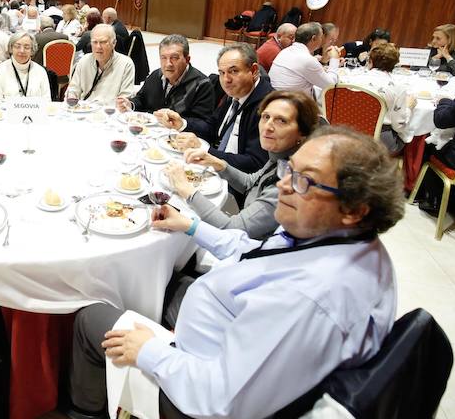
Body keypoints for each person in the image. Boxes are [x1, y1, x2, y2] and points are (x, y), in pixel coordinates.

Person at [68, 126, 403, 419]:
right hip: (227, 332)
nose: (283, 186)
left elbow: (221, 401)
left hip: (193, 395)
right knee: (170, 281)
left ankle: (85, 411)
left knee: (89, 317)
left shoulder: (311, 300)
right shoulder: (343, 240)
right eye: (289, 171)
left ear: (354, 209)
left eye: (304, 182)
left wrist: (148, 351)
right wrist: (191, 225)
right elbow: (255, 251)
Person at [165, 90, 319, 239]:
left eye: (281, 120)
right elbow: (252, 183)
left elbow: (233, 230)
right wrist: (217, 163)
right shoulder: (282, 157)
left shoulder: (289, 181)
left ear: (302, 133)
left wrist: (186, 189)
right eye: (266, 117)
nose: (268, 126)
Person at [167, 43, 274, 173]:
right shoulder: (235, 93)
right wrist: (182, 123)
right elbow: (212, 127)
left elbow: (255, 163)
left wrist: (206, 151)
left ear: (254, 70)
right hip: (217, 164)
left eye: (234, 71)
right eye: (222, 73)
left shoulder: (269, 107)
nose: (226, 79)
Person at [118, 34, 216, 136]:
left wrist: (181, 122)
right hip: (149, 134)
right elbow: (141, 99)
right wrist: (130, 104)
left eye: (174, 58)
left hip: (178, 141)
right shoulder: (156, 75)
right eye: (163, 58)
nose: (168, 64)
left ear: (187, 59)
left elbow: (206, 127)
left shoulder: (202, 85)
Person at [362, 43, 416, 153]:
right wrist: (409, 108)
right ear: (394, 65)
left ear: (370, 61)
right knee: (412, 139)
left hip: (345, 135)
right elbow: (399, 126)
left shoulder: (350, 80)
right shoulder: (398, 89)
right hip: (377, 142)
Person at [67, 24, 135, 105]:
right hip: (84, 110)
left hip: (110, 113)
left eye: (103, 42)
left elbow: (125, 97)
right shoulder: (84, 61)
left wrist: (123, 104)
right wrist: (71, 96)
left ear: (114, 43)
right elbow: (74, 88)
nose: (98, 47)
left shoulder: (126, 64)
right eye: (95, 42)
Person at [269, 21, 340, 97]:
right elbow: (331, 85)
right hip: (291, 103)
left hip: (275, 98)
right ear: (314, 38)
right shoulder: (307, 59)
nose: (322, 40)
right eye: (321, 37)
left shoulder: (285, 51)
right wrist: (334, 59)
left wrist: (323, 60)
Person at [0, 32, 51, 101]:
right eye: (17, 46)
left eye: (27, 47)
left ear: (32, 50)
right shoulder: (0, 70)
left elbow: (47, 101)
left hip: (34, 111)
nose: (22, 51)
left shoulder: (40, 71)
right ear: (11, 48)